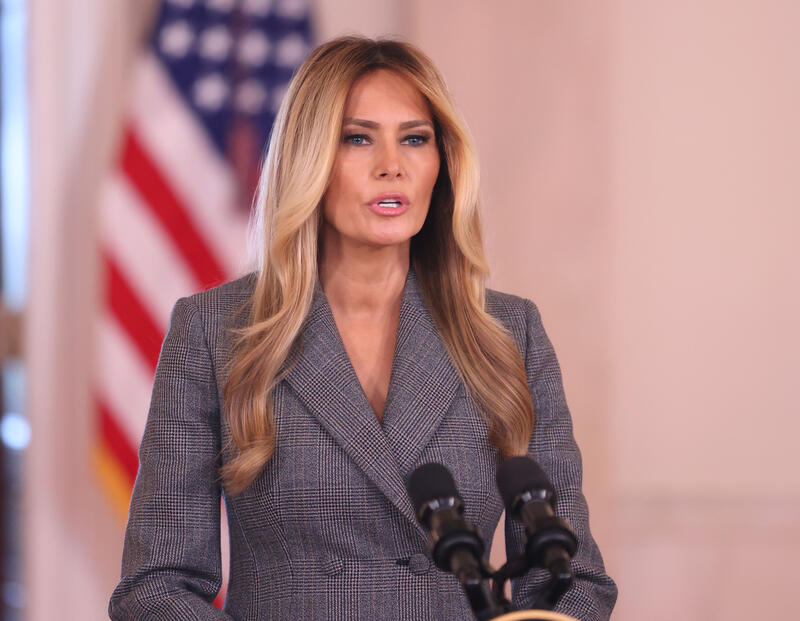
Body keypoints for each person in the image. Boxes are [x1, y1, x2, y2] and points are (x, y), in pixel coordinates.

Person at [109, 35, 617, 620]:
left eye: (415, 139)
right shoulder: (215, 331)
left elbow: (573, 580)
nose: (391, 166)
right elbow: (156, 587)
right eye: (358, 138)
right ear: (310, 159)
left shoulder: (508, 333)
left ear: (443, 163)